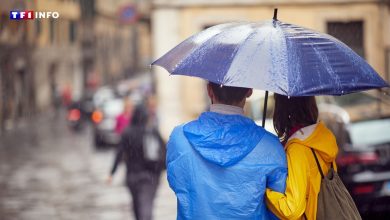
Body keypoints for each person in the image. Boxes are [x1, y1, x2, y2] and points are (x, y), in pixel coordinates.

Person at [167, 82, 287, 219]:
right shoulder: (270, 146)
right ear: (249, 91)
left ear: (209, 90)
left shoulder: (180, 138)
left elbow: (177, 183)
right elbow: (278, 208)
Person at [266, 94, 339, 220]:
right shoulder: (321, 138)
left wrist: (266, 193)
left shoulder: (298, 149)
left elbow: (292, 209)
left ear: (282, 108)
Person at [108, 96, 166, 220]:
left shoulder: (127, 132)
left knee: (137, 205)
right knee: (146, 206)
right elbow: (164, 150)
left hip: (132, 177)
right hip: (150, 176)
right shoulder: (151, 131)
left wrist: (112, 173)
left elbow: (119, 153)